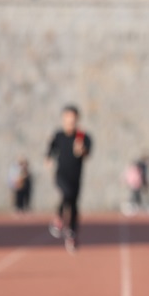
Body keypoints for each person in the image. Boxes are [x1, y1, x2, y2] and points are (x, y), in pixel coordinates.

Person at [46, 105, 92, 253]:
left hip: (76, 177)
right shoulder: (58, 135)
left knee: (73, 204)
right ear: (63, 118)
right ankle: (59, 217)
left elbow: (87, 153)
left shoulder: (82, 136)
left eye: (73, 117)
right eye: (67, 117)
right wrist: (48, 159)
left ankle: (72, 234)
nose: (70, 120)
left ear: (77, 119)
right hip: (61, 175)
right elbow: (51, 149)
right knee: (66, 194)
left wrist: (81, 150)